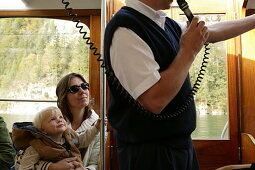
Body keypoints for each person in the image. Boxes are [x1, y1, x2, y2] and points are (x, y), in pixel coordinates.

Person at [103, 0, 255, 169]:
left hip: (180, 147)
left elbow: (210, 32)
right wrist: (189, 50)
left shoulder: (165, 23)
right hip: (151, 154)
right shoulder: (125, 28)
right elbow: (154, 100)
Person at [12, 106, 100, 170]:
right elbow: (25, 167)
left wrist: (96, 128)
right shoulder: (38, 146)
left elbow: (82, 140)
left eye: (61, 117)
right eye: (52, 119)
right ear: (43, 130)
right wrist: (48, 166)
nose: (59, 120)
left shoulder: (69, 138)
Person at [56, 72, 104, 170]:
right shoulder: (53, 122)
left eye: (84, 86)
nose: (82, 91)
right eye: (74, 89)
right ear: (64, 96)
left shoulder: (98, 125)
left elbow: (95, 164)